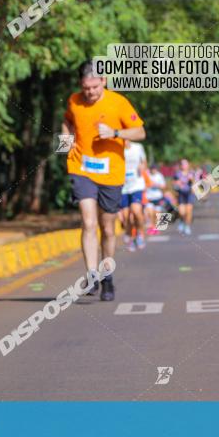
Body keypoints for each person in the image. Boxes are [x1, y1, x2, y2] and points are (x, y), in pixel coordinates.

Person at [63, 60, 146, 302]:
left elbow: (140, 132)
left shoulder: (118, 102)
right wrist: (65, 139)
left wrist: (116, 133)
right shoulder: (74, 100)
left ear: (104, 81)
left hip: (111, 173)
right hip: (81, 167)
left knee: (108, 228)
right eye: (85, 88)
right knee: (88, 222)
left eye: (94, 87)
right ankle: (91, 274)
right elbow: (68, 120)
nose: (89, 93)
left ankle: (107, 276)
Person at [120, 139, 148, 251]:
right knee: (127, 217)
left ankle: (140, 234)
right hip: (123, 187)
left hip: (136, 184)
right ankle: (132, 238)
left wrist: (142, 166)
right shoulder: (117, 149)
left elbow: (144, 162)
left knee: (136, 211)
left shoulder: (138, 147)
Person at [173, 159, 196, 235]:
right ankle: (182, 221)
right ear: (181, 166)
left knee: (189, 211)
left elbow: (195, 184)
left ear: (188, 165)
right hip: (181, 194)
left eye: (186, 164)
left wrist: (192, 180)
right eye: (183, 164)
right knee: (182, 212)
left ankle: (187, 226)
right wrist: (177, 184)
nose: (184, 166)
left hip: (189, 194)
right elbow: (174, 184)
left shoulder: (192, 173)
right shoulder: (178, 174)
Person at [144, 164, 167, 234]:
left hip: (158, 197)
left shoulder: (159, 176)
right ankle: (151, 227)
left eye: (155, 169)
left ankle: (156, 228)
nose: (153, 170)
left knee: (156, 214)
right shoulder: (147, 175)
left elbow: (164, 186)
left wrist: (157, 185)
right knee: (150, 213)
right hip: (149, 197)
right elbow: (144, 184)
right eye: (152, 169)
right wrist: (149, 185)